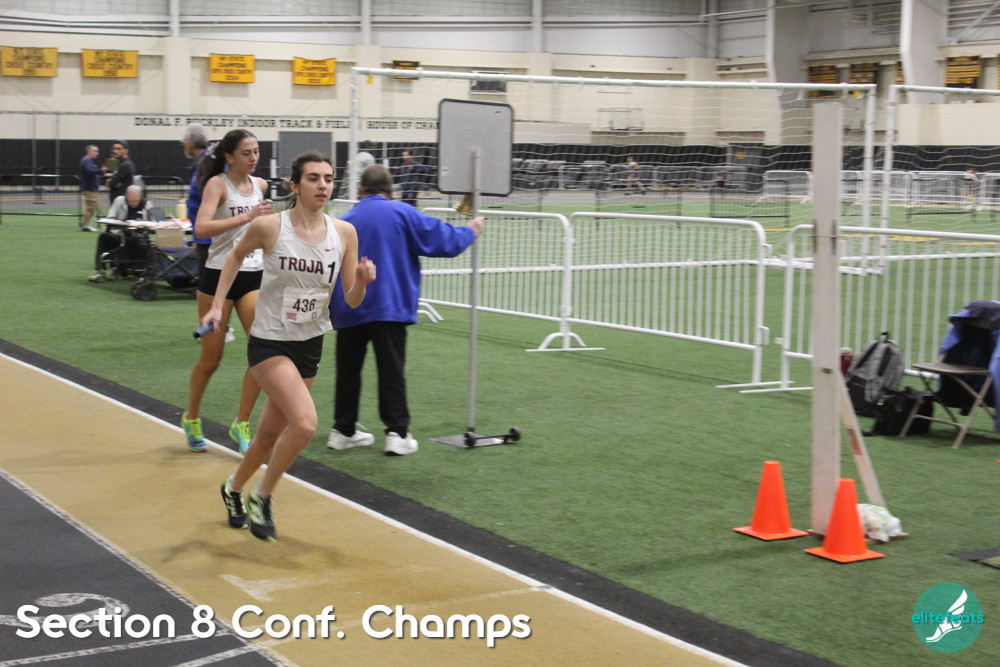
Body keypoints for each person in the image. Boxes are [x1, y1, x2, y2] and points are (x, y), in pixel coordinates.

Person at [206, 151, 376, 542]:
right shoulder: (269, 227)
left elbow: (351, 300)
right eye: (313, 178)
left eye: (328, 178)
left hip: (310, 342)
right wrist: (217, 305)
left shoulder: (344, 233)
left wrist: (363, 281)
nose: (323, 185)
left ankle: (233, 488)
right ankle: (262, 496)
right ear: (295, 186)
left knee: (269, 433)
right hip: (270, 341)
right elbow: (233, 257)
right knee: (305, 424)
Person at [326, 165, 484, 456]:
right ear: (391, 190)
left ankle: (342, 430)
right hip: (389, 305)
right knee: (391, 370)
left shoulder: (344, 220)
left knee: (348, 370)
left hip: (350, 306)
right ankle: (397, 433)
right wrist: (470, 230)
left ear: (360, 190)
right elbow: (443, 240)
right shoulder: (402, 213)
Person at [182, 129, 272, 455]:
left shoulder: (261, 186)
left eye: (256, 151)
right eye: (246, 152)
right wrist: (246, 217)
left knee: (264, 353)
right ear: (230, 156)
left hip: (253, 275)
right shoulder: (217, 185)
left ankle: (241, 423)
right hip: (218, 274)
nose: (253, 157)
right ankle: (192, 417)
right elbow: (201, 227)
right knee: (211, 359)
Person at [89, 184, 153, 282]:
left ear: (140, 197)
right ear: (126, 196)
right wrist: (120, 225)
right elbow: (110, 217)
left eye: (136, 201)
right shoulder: (119, 201)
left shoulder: (147, 205)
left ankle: (120, 269)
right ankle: (100, 271)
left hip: (138, 238)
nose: (133, 203)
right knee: (104, 237)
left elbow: (152, 223)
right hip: (120, 234)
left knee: (132, 240)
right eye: (130, 201)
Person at [181, 124, 213, 277]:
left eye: (184, 141)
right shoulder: (201, 164)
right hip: (202, 235)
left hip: (209, 237)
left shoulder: (207, 164)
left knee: (208, 282)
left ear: (190, 142)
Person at [77, 144, 106, 232]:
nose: (97, 153)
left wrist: (101, 172)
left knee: (93, 207)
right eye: (95, 151)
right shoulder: (87, 160)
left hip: (92, 188)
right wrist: (100, 170)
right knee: (91, 208)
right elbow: (89, 171)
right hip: (89, 188)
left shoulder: (88, 161)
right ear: (89, 151)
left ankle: (86, 223)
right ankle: (85, 225)